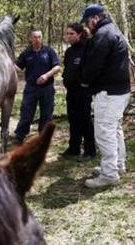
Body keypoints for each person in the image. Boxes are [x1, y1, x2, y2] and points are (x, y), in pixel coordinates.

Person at [80, 4, 131, 188]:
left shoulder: (103, 34)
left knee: (104, 131)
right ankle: (117, 164)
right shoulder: (112, 30)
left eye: (87, 22)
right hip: (119, 90)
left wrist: (85, 80)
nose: (87, 26)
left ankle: (109, 174)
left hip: (109, 92)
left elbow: (94, 64)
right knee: (114, 129)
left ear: (94, 18)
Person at [13, 30, 61, 145]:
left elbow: (57, 67)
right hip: (31, 88)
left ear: (42, 38)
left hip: (47, 88)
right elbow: (18, 67)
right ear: (31, 39)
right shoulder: (26, 53)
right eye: (34, 37)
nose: (37, 39)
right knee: (26, 113)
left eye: (39, 37)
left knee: (46, 114)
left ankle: (43, 137)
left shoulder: (49, 51)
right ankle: (20, 135)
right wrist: (9, 62)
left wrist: (46, 75)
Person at [60, 22, 96, 160]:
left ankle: (89, 151)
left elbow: (90, 69)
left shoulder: (87, 48)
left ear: (80, 34)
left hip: (83, 91)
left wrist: (85, 83)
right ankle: (74, 148)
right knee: (73, 119)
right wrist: (65, 79)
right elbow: (67, 69)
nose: (68, 36)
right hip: (71, 91)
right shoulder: (69, 51)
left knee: (85, 120)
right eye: (67, 33)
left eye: (71, 34)